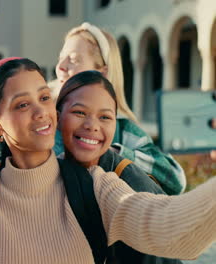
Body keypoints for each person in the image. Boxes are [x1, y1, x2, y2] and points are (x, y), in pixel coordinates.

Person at [0, 57, 216, 264]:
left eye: (44, 98)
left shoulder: (94, 187)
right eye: (22, 105)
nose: (41, 112)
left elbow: (170, 228)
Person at [57, 70, 181, 263]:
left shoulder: (133, 187)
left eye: (105, 117)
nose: (92, 125)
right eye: (79, 112)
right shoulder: (53, 172)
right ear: (57, 117)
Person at [53, 22, 186, 195]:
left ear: (101, 73)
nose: (60, 67)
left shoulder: (123, 130)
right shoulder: (43, 120)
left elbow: (176, 180)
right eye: (60, 58)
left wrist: (113, 155)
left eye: (73, 60)